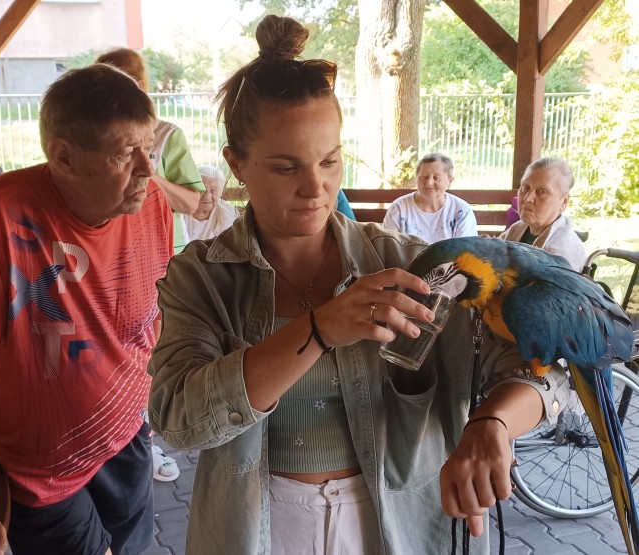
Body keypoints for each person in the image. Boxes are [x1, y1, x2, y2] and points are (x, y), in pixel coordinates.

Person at [148, 15, 567, 555]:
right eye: (284, 167)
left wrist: (495, 422)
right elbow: (178, 421)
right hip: (254, 528)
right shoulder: (201, 278)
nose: (315, 187)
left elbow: (547, 376)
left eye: (329, 160)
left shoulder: (414, 266)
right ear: (237, 164)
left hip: (400, 525)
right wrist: (319, 329)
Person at [0, 64, 173, 555]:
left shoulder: (151, 202)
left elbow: (155, 313)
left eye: (151, 149)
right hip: (41, 471)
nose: (148, 169)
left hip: (126, 436)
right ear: (64, 156)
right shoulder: (0, 212)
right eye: (127, 153)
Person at [96, 48, 205, 253]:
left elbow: (191, 204)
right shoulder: (99, 138)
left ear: (139, 86)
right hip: (117, 247)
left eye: (112, 89)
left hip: (165, 247)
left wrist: (145, 174)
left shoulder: (167, 134)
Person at [499, 158, 586, 272]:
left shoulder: (558, 254)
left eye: (542, 192)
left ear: (563, 202)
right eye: (525, 188)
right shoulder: (519, 228)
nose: (528, 198)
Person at [382, 153, 478, 242]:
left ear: (450, 181)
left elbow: (466, 251)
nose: (429, 183)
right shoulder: (398, 209)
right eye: (424, 177)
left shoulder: (462, 211)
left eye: (436, 178)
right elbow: (388, 248)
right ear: (416, 178)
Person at [183, 164, 240, 241]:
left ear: (220, 192)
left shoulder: (228, 215)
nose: (207, 196)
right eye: (202, 190)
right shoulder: (181, 208)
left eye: (213, 190)